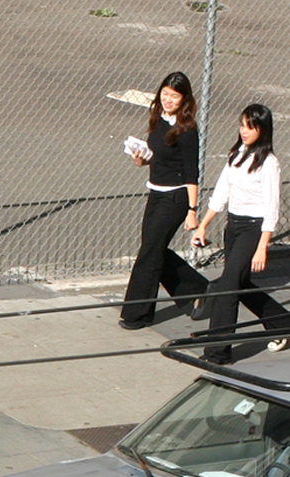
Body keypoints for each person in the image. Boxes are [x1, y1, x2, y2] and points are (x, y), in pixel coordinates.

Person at [193, 103, 290, 364]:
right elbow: (222, 192)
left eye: (251, 126)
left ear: (263, 130)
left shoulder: (269, 163)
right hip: (233, 226)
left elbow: (272, 207)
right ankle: (282, 322)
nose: (244, 131)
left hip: (254, 229)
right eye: (242, 124)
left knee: (228, 287)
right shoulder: (236, 155)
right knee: (238, 282)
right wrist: (204, 224)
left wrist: (262, 246)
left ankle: (217, 351)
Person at [119, 71, 209, 330]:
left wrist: (193, 210)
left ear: (184, 100)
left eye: (175, 96)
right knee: (153, 248)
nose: (168, 100)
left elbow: (192, 173)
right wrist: (139, 158)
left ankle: (136, 314)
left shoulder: (188, 131)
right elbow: (152, 158)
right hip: (156, 193)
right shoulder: (158, 120)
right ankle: (198, 290)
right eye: (165, 94)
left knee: (149, 253)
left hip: (176, 197)